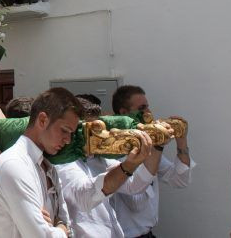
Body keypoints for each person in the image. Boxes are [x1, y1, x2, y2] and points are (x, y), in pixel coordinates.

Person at [0, 87, 82, 237]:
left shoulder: (48, 166)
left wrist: (59, 227)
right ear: (43, 120)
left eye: (71, 133)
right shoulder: (14, 164)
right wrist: (60, 229)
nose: (68, 140)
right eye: (64, 130)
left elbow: (65, 222)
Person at [58, 97, 155, 238]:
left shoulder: (99, 158)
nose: (99, 136)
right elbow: (86, 197)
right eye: (92, 131)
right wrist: (129, 165)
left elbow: (135, 186)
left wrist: (155, 147)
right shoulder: (62, 161)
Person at [111, 85, 194, 238]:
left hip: (148, 234)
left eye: (148, 107)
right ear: (124, 113)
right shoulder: (115, 152)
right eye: (142, 108)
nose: (148, 113)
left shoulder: (149, 150)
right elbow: (136, 203)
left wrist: (181, 140)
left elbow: (180, 181)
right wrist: (157, 146)